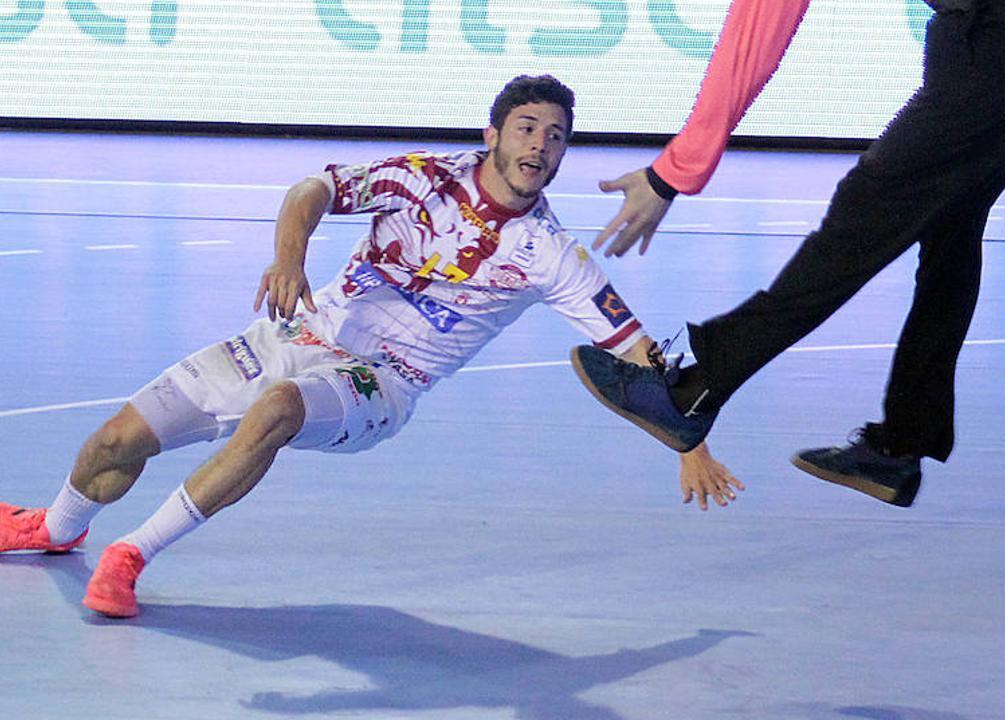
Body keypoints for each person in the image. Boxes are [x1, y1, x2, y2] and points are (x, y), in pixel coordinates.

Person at [0, 75, 743, 618]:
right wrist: (289, 257)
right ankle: (55, 530)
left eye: (555, 136)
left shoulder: (550, 254)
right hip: (296, 334)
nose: (540, 146)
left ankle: (132, 554)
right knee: (114, 442)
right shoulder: (421, 178)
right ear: (492, 135)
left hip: (379, 384)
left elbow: (636, 348)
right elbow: (310, 189)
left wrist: (686, 437)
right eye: (526, 127)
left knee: (278, 410)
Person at [571, 0, 1005, 506]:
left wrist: (673, 173)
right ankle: (901, 445)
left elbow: (754, 38)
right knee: (952, 224)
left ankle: (696, 390)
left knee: (869, 207)